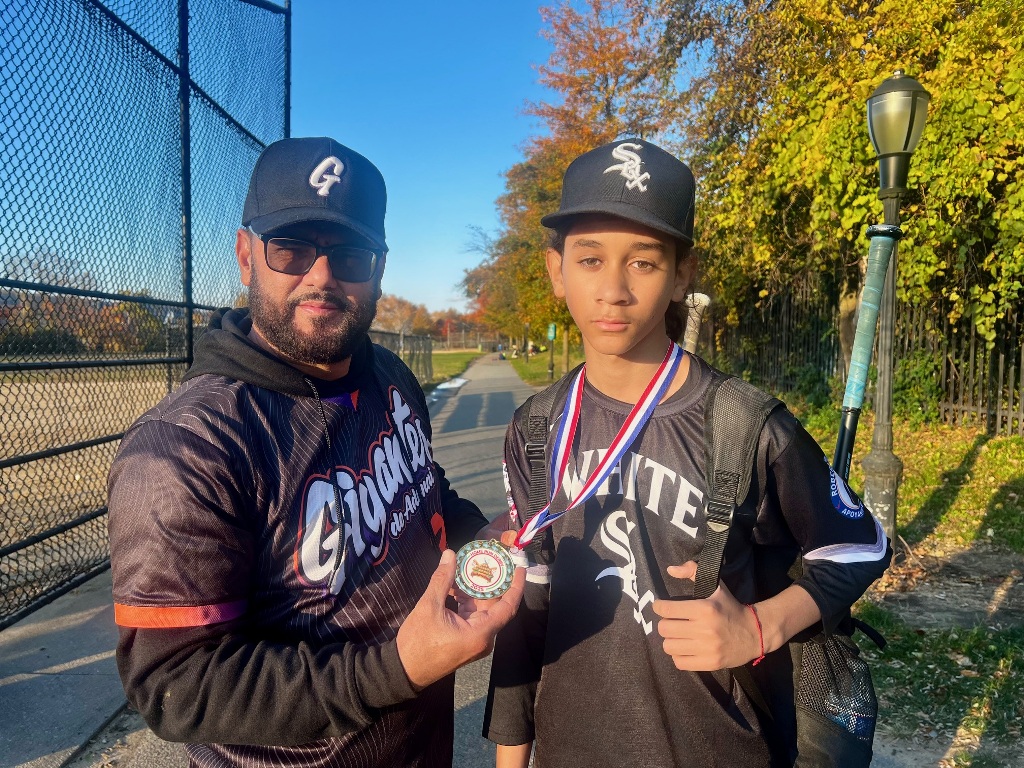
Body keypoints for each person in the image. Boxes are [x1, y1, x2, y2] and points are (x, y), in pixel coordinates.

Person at [107, 136, 523, 768]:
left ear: (379, 269)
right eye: (292, 248)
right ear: (247, 255)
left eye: (349, 253)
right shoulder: (189, 447)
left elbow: (421, 485)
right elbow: (177, 686)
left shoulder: (386, 373)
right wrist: (399, 668)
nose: (322, 277)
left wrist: (475, 537)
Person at [482, 139, 891, 767]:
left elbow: (860, 544)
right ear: (556, 271)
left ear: (681, 273)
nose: (614, 290)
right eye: (590, 259)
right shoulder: (536, 429)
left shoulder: (746, 425)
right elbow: (526, 610)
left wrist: (760, 627)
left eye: (643, 263)